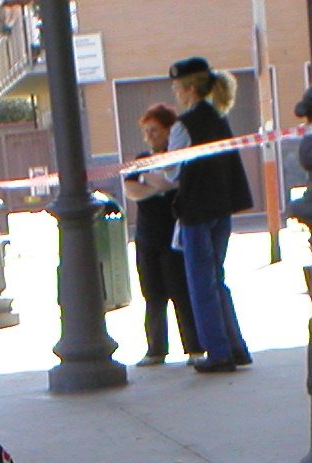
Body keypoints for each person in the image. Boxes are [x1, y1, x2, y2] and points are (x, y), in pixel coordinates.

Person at [166, 57, 253, 374]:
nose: (175, 93)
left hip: (196, 210)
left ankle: (218, 353)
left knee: (201, 282)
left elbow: (172, 170)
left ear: (189, 89)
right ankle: (235, 346)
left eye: (177, 87)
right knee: (217, 278)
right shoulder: (219, 118)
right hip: (221, 208)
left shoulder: (183, 126)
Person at [124, 103, 203, 367]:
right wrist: (156, 186)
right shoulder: (142, 158)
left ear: (170, 130)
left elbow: (174, 182)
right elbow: (131, 189)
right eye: (147, 131)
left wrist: (154, 182)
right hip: (146, 236)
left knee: (181, 292)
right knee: (152, 295)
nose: (150, 136)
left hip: (174, 237)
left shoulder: (179, 158)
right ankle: (155, 350)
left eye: (155, 130)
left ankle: (194, 348)